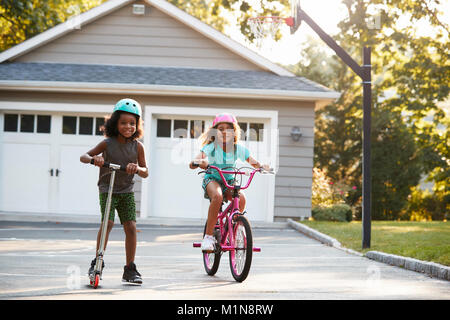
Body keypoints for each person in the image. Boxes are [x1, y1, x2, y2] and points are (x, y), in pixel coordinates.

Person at [80, 98, 148, 284]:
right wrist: (96, 160)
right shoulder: (107, 143)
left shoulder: (138, 147)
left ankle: (130, 268)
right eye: (124, 122)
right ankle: (98, 262)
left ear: (137, 125)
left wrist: (137, 168)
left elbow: (146, 172)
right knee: (108, 223)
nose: (128, 126)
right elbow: (84, 156)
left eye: (132, 123)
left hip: (126, 191)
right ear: (115, 123)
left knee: (131, 227)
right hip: (107, 189)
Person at [189, 113, 270, 251]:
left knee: (241, 198)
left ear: (234, 132)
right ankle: (208, 237)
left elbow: (254, 162)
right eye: (220, 129)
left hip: (229, 179)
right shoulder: (212, 147)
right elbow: (196, 160)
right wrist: (199, 162)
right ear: (215, 132)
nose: (225, 132)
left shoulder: (238, 149)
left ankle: (233, 225)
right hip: (213, 179)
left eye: (228, 128)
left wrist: (262, 166)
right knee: (217, 196)